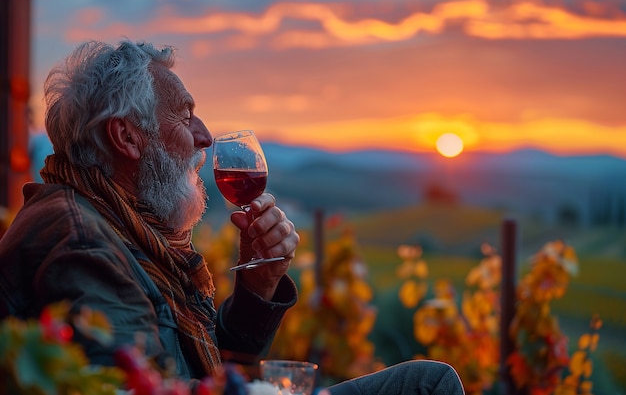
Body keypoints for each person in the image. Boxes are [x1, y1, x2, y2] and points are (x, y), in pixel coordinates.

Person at [0, 40, 464, 394]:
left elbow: (211, 371)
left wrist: (257, 288)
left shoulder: (126, 228)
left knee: (426, 380)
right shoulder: (80, 242)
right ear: (127, 137)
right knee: (428, 387)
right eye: (185, 117)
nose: (205, 137)